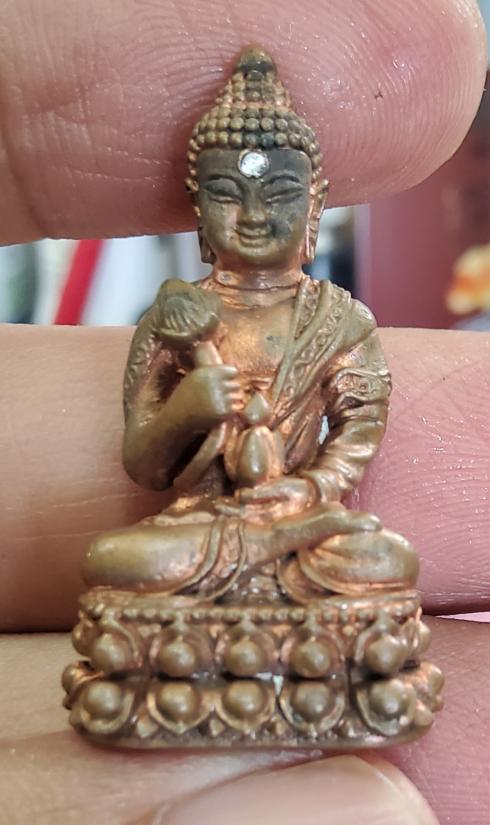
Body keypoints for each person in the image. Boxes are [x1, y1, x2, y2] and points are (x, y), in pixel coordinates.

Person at [0, 1, 488, 823]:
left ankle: (187, 671)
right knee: (118, 559)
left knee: (382, 559)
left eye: (279, 193)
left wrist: (312, 489)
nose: (255, 214)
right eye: (229, 194)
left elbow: (359, 427)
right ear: (199, 209)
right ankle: (315, 673)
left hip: (302, 528)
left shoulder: (339, 319)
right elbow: (144, 462)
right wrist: (188, 406)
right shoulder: (175, 316)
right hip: (203, 529)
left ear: (315, 203)